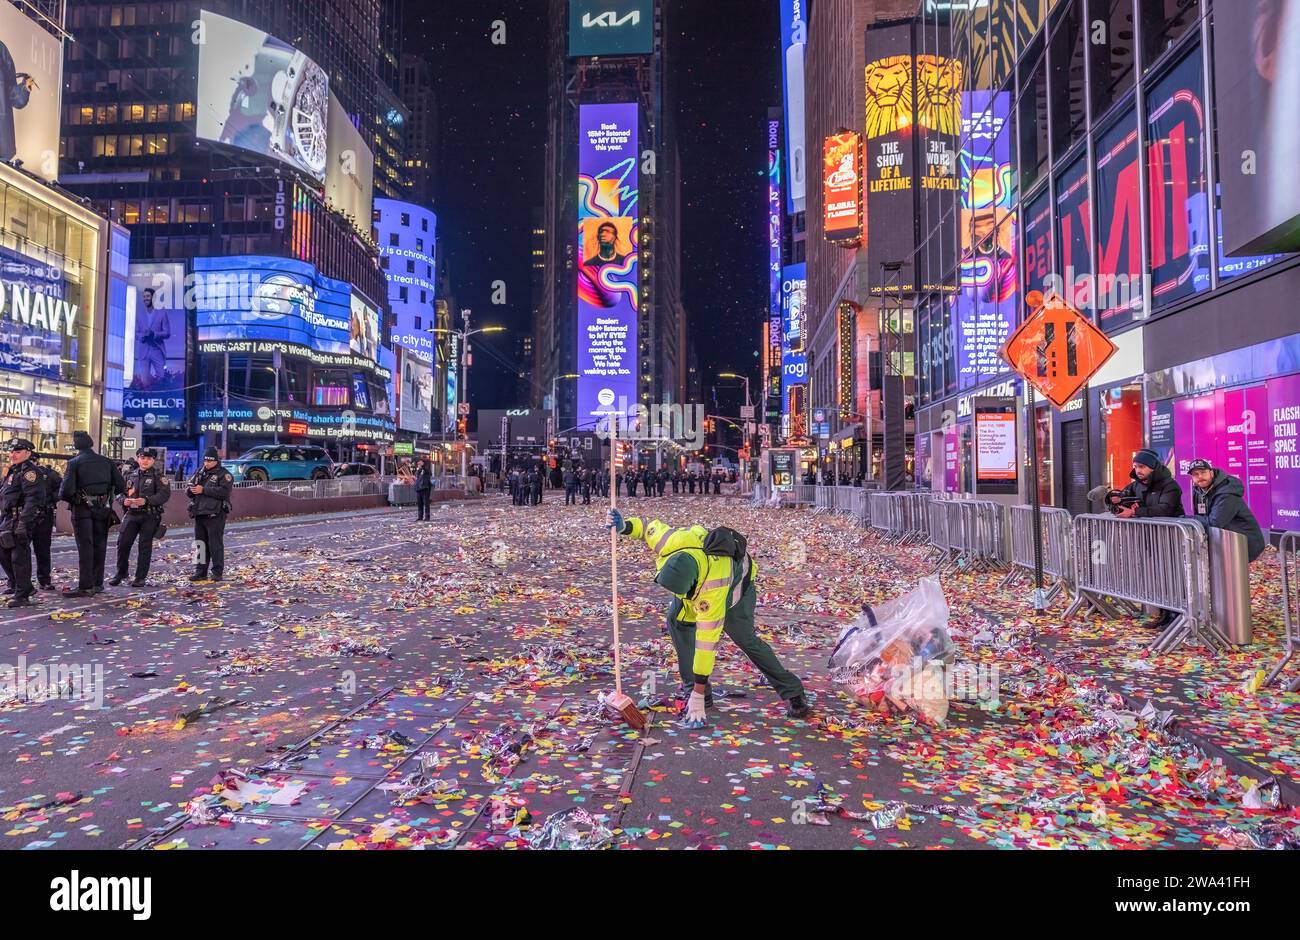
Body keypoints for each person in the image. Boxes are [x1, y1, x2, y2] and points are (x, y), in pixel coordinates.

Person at [606, 508, 811, 726]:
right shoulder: (674, 542)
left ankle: (793, 692)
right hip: (696, 585)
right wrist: (624, 526)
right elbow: (647, 528)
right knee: (677, 622)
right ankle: (696, 691)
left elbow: (706, 643)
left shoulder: (713, 588)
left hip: (735, 591)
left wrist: (698, 690)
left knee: (746, 640)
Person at [1106, 448, 1184, 629]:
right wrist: (1114, 499)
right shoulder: (1136, 485)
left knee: (1172, 577)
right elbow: (1121, 498)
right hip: (1150, 538)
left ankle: (1177, 616)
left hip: (1170, 537)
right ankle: (1163, 614)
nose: (1138, 470)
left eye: (1142, 466)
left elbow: (1165, 510)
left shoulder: (1170, 485)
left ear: (1153, 467)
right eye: (1135, 466)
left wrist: (1134, 512)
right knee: (1157, 577)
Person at [58, 430, 127, 598]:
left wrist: (75, 498)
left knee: (85, 547)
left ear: (76, 445)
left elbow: (65, 491)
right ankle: (97, 583)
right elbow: (121, 486)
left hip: (82, 509)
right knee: (100, 545)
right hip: (103, 508)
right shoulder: (106, 461)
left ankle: (85, 585)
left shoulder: (74, 462)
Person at [111, 448, 171, 587]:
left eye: (149, 459)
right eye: (143, 458)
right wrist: (123, 500)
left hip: (149, 514)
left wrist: (146, 500)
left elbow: (164, 495)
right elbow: (118, 492)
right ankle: (121, 572)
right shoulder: (129, 475)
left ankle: (140, 577)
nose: (145, 461)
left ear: (153, 460)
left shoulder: (158, 476)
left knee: (144, 546)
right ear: (138, 458)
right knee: (123, 543)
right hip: (131, 514)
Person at [1188, 459, 1267, 563]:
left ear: (1211, 473)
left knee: (1234, 576)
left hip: (1244, 543)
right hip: (1224, 543)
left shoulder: (1226, 492)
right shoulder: (1198, 491)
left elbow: (1214, 522)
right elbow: (1201, 518)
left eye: (1203, 472)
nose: (1200, 477)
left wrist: (1185, 519)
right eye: (1196, 474)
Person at [0, 439, 45, 608]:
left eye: (17, 452)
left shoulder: (30, 472)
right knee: (4, 553)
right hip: (8, 519)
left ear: (28, 453)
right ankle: (21, 585)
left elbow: (33, 499)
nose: (13, 455)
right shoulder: (13, 471)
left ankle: (22, 594)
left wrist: (24, 523)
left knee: (19, 556)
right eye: (12, 452)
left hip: (21, 519)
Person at [187, 447, 233, 582]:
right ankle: (200, 571)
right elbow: (189, 489)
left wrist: (204, 490)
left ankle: (217, 572)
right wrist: (191, 490)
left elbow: (224, 491)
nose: (206, 463)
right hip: (199, 512)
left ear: (216, 461)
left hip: (215, 513)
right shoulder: (199, 472)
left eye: (210, 461)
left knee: (215, 544)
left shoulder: (223, 474)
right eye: (205, 460)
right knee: (200, 544)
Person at [414, 457, 433, 521]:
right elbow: (416, 477)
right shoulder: (418, 470)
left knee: (426, 503)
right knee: (419, 504)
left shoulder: (426, 470)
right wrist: (419, 469)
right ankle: (420, 516)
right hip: (418, 489)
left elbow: (428, 473)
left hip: (425, 488)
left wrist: (423, 467)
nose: (419, 464)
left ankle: (427, 516)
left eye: (420, 462)